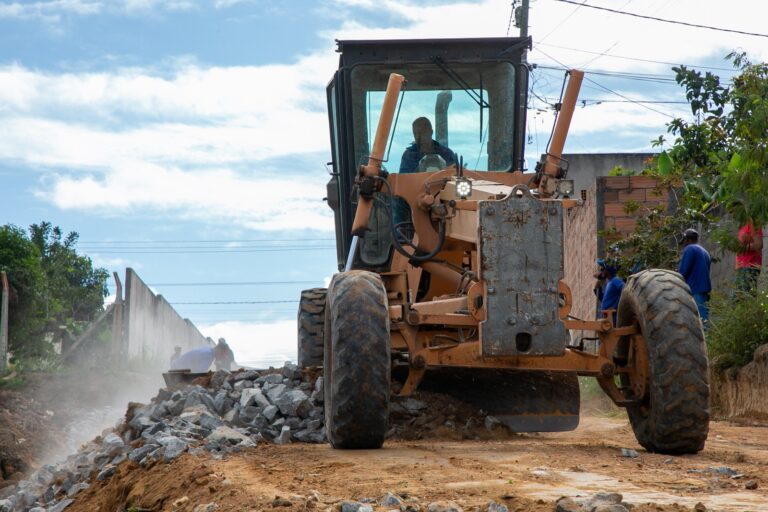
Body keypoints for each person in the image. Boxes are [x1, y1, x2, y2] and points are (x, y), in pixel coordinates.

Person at [678, 228, 712, 324]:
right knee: (704, 318)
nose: (683, 244)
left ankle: (706, 339)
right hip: (705, 290)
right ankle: (708, 338)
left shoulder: (689, 249)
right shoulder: (705, 252)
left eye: (684, 241)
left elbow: (683, 272)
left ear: (687, 240)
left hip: (694, 290)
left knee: (699, 321)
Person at [170, 338, 234, 373]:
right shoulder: (208, 357)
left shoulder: (208, 348)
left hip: (175, 367)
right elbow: (199, 374)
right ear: (219, 350)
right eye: (222, 354)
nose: (221, 357)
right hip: (177, 371)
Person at [736, 221, 763, 292]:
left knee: (740, 299)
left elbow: (758, 244)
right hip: (741, 267)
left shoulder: (753, 223)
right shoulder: (742, 226)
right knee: (743, 299)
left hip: (750, 266)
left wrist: (740, 248)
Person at [598, 259, 624, 326]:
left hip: (613, 318)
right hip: (607, 318)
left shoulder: (615, 280)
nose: (601, 271)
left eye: (602, 269)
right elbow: (607, 299)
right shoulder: (609, 282)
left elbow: (625, 290)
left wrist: (616, 306)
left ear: (608, 269)